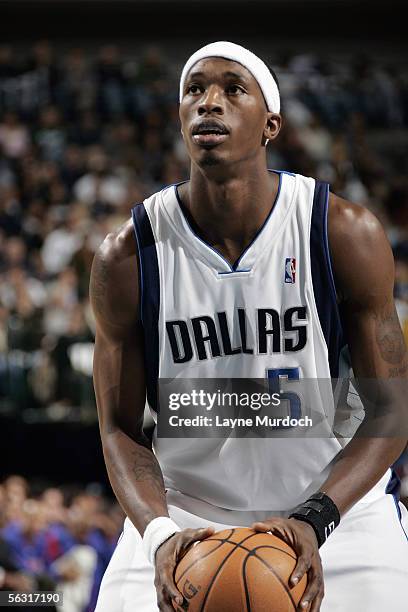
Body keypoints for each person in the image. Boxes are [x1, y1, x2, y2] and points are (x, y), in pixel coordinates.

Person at [90, 41, 408, 612]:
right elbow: (118, 428)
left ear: (270, 124)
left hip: (334, 512)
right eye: (195, 90)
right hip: (186, 515)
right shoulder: (127, 257)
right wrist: (159, 536)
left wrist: (316, 519)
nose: (209, 103)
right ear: (179, 117)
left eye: (232, 89)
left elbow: (394, 409)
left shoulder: (343, 234)